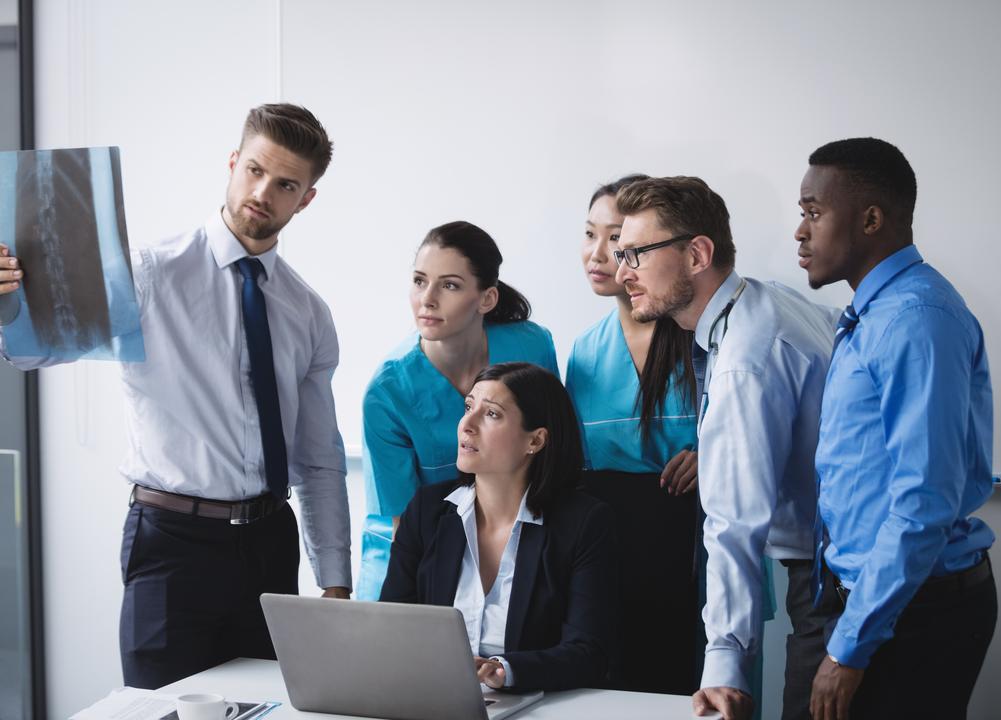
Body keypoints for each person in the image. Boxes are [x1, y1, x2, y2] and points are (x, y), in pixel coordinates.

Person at [0, 103, 351, 688]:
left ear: (306, 198)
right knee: (160, 709)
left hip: (269, 542)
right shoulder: (145, 275)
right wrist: (7, 303)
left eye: (286, 184)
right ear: (233, 163)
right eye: (255, 171)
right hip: (172, 543)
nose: (264, 192)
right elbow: (31, 354)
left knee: (268, 707)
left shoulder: (309, 313)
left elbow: (318, 457)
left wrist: (334, 581)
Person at [612, 176, 836, 720]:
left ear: (697, 254)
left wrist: (724, 664)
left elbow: (734, 521)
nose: (622, 274)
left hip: (830, 585)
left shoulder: (744, 358)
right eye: (621, 254)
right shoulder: (767, 302)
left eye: (637, 253)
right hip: (836, 574)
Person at [795, 137, 996, 720]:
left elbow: (923, 500)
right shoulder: (874, 313)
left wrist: (850, 648)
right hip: (881, 604)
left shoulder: (915, 319)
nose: (799, 232)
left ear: (872, 219)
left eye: (813, 212)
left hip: (911, 613)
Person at [380, 362, 617, 691]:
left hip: (533, 703)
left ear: (535, 441)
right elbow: (389, 625)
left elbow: (588, 653)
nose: (467, 424)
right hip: (433, 696)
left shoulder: (583, 523)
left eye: (491, 414)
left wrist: (504, 670)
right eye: (468, 407)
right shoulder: (427, 510)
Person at [358, 222, 558, 600]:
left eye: (449, 285)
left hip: (502, 543)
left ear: (487, 299)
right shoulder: (387, 393)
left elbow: (551, 451)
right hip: (408, 558)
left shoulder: (532, 348)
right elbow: (405, 527)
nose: (427, 299)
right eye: (419, 281)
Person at [565, 174, 701, 695]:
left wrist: (710, 455)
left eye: (618, 237)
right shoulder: (585, 351)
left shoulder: (701, 339)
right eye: (590, 234)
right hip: (612, 558)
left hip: (692, 551)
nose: (600, 253)